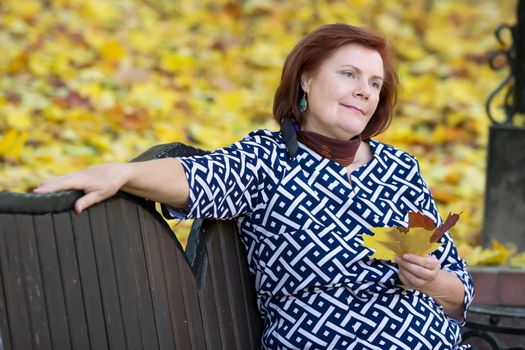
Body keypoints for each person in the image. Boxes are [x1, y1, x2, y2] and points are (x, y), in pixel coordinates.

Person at [35, 23, 474, 349]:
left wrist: (433, 282)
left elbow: (459, 297)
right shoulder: (269, 158)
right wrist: (124, 173)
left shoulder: (400, 167)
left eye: (375, 83)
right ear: (306, 78)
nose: (364, 91)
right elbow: (197, 177)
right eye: (349, 75)